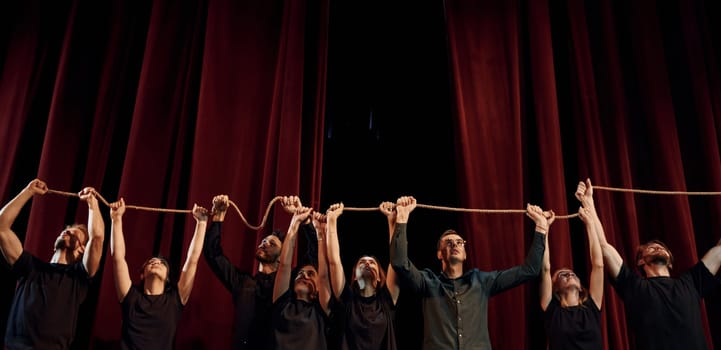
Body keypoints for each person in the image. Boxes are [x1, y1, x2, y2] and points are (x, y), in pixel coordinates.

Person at [389, 195, 549, 350]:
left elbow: (530, 270)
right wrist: (401, 219)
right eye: (448, 242)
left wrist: (541, 227)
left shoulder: (481, 281)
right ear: (439, 254)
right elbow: (399, 263)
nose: (454, 245)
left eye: (459, 242)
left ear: (465, 254)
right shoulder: (427, 282)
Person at [587, 178, 721, 350]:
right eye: (650, 248)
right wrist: (589, 203)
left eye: (661, 247)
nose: (657, 247)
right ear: (641, 261)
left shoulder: (692, 282)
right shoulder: (633, 286)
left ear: (670, 261)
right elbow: (604, 247)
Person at [202, 195, 318, 350]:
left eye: (272, 243)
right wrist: (218, 218)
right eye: (264, 241)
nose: (264, 243)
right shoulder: (242, 282)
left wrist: (305, 221)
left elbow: (314, 255)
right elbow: (213, 254)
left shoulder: (290, 281)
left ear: (282, 253)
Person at [0, 179, 105, 349]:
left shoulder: (78, 277)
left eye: (73, 233)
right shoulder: (30, 267)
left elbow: (98, 238)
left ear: (81, 250)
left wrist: (92, 204)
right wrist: (28, 191)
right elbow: (1, 227)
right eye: (66, 230)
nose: (67, 231)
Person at [108, 198, 208, 350]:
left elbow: (192, 260)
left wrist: (201, 224)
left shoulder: (175, 300)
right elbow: (118, 258)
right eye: (151, 262)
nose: (156, 262)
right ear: (142, 274)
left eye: (161, 263)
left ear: (168, 277)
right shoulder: (130, 296)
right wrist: (116, 219)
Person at [325, 201, 400, 350]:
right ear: (354, 276)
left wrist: (392, 220)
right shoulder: (346, 300)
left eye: (372, 262)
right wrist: (332, 221)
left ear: (379, 276)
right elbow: (334, 262)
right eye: (362, 262)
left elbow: (396, 261)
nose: (367, 264)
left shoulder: (386, 300)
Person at [540, 180, 604, 350]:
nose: (569, 274)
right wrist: (544, 228)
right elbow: (545, 268)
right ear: (554, 288)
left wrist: (590, 224)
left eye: (571, 273)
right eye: (562, 274)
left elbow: (598, 265)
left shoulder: (592, 307)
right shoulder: (552, 310)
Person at [272, 204, 332, 350]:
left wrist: (320, 234)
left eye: (310, 274)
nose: (303, 275)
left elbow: (324, 275)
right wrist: (295, 221)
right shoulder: (283, 306)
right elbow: (284, 266)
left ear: (319, 287)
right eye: (299, 274)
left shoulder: (322, 311)